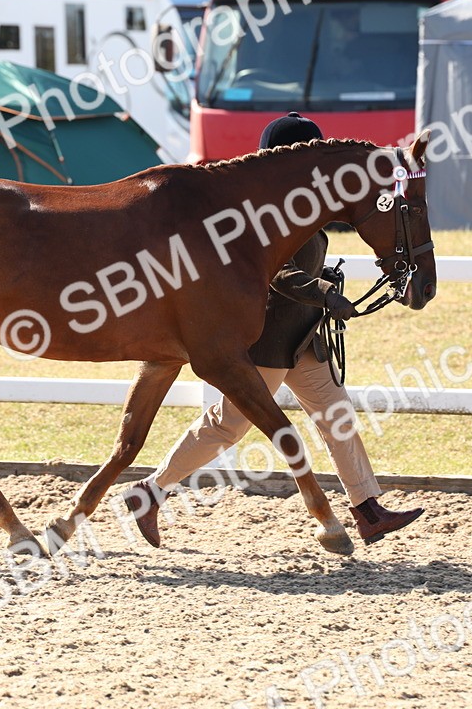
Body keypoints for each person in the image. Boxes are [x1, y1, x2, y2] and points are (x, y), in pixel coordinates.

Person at [121, 112, 425, 549]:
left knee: (337, 419)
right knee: (226, 426)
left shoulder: (305, 207)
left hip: (305, 339)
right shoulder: (270, 213)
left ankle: (367, 509)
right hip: (270, 338)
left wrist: (327, 285)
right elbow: (279, 273)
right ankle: (151, 491)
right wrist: (325, 293)